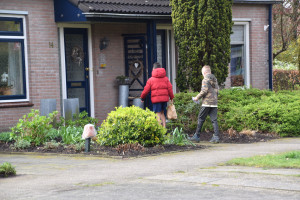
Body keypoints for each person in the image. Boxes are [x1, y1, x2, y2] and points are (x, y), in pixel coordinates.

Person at [189, 65, 220, 143]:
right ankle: (216, 137)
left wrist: (197, 98)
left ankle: (197, 136)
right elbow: (217, 91)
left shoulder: (205, 79)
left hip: (206, 102)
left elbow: (204, 91)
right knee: (214, 120)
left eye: (202, 73)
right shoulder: (215, 79)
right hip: (214, 103)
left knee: (201, 118)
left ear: (205, 72)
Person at [141, 62, 174, 128]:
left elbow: (146, 90)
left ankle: (159, 130)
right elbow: (170, 88)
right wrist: (171, 97)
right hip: (164, 100)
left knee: (157, 114)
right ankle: (164, 127)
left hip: (156, 100)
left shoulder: (151, 79)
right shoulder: (166, 79)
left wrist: (142, 98)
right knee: (162, 113)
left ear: (153, 69)